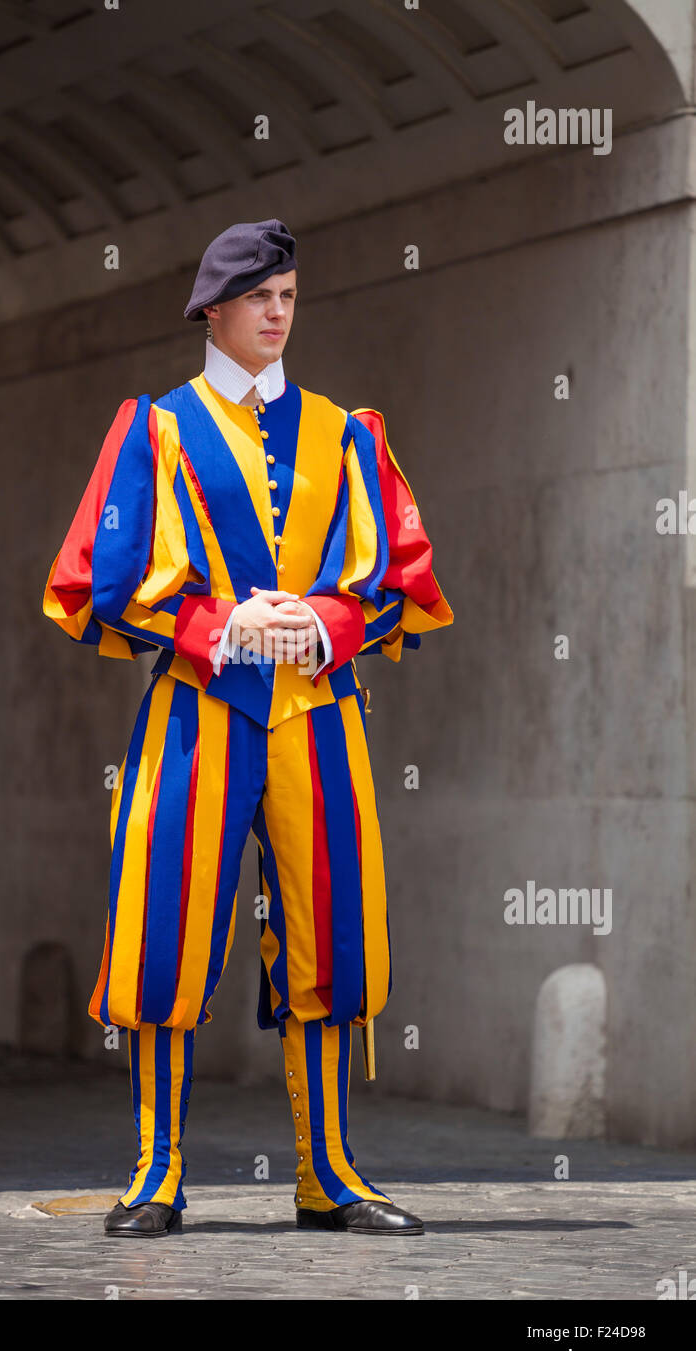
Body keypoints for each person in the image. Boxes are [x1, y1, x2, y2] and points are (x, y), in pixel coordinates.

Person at [43, 218, 453, 1237]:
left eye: (288, 296)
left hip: (317, 718)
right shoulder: (155, 427)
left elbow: (397, 579)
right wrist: (220, 621)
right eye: (261, 297)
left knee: (333, 942)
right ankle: (155, 1174)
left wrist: (321, 617)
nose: (278, 314)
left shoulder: (344, 431)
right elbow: (101, 576)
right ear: (214, 309)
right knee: (162, 938)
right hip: (196, 712)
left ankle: (329, 1178)